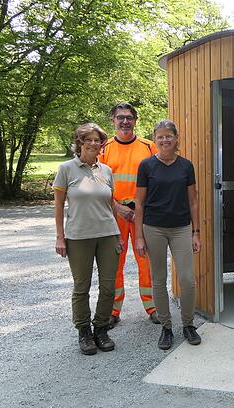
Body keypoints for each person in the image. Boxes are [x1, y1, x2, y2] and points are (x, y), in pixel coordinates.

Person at [133, 120, 202, 349]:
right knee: (159, 280)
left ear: (175, 139)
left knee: (187, 280)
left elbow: (193, 201)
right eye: (160, 136)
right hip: (154, 229)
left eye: (169, 136)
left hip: (181, 227)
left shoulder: (186, 166)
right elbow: (139, 204)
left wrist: (196, 232)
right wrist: (139, 237)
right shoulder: (146, 166)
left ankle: (188, 324)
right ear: (155, 139)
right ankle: (166, 327)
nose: (165, 140)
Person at [54, 123, 120, 355]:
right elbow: (59, 206)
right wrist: (60, 237)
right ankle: (84, 331)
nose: (93, 144)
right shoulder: (66, 169)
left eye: (97, 140)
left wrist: (123, 223)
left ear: (102, 144)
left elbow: (110, 204)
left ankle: (101, 328)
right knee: (82, 287)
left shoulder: (106, 171)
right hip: (78, 237)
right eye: (88, 140)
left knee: (108, 286)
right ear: (79, 142)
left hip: (108, 235)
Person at [99, 102, 158, 326]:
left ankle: (152, 306)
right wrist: (118, 207)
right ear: (113, 120)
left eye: (129, 117)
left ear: (136, 120)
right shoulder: (104, 148)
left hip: (143, 214)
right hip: (115, 215)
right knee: (114, 264)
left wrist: (142, 208)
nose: (125, 121)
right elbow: (97, 184)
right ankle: (113, 311)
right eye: (120, 117)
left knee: (147, 262)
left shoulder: (149, 147)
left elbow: (158, 179)